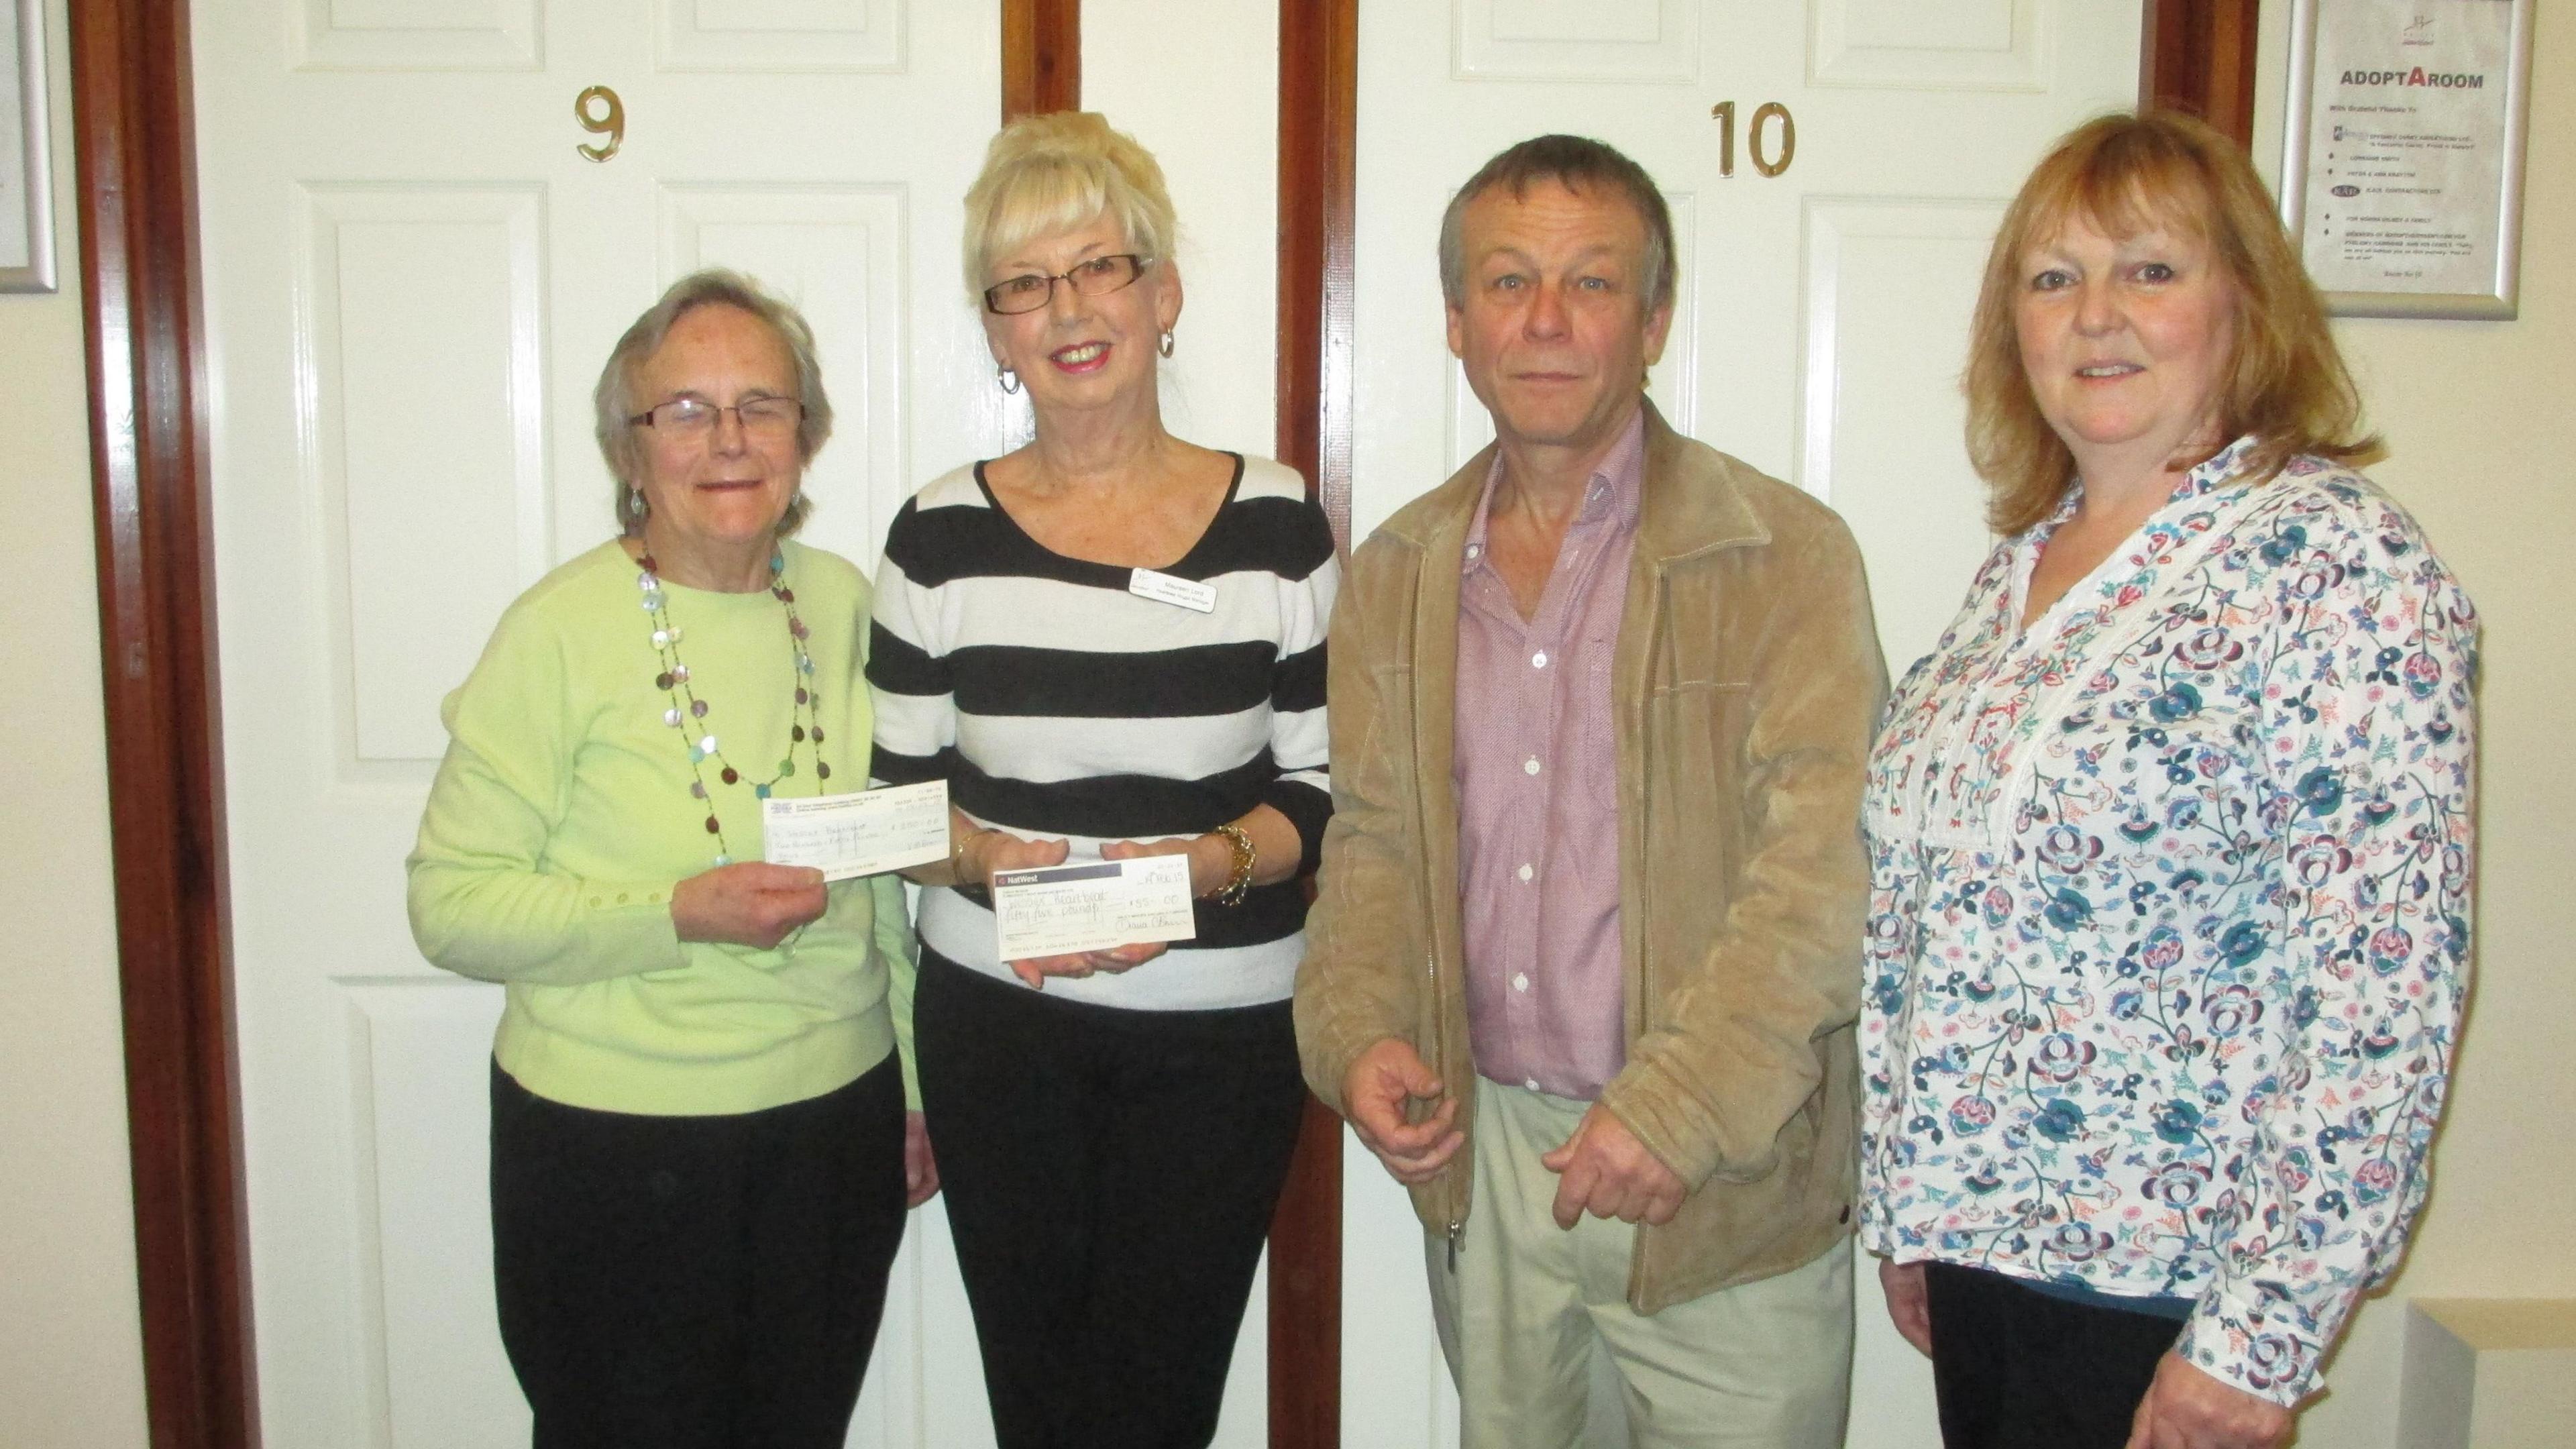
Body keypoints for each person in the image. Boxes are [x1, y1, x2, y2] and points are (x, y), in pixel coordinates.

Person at [1860, 111, 2479, 1449]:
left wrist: (2262, 1344)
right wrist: (1912, 1202)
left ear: (2245, 303)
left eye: (2149, 269)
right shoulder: (2020, 570)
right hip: (1984, 1260)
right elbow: (1929, 919)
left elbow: (2383, 993)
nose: (2095, 316)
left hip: (2175, 1296)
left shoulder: (2335, 569)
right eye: (2051, 277)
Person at [1295, 134, 1888, 1448]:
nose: (1547, 320)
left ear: (1655, 317)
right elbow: (1376, 850)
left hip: (1722, 1180)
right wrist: (1360, 1038)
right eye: (1507, 283)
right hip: (1489, 1164)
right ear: (1456, 323)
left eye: (1592, 282)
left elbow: (1827, 883)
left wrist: (1675, 1111)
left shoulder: (1783, 557)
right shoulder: (1397, 571)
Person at [865, 111, 1336, 1448]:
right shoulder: (938, 532)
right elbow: (896, 802)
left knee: (1161, 1398)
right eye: (1025, 283)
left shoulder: (1278, 520)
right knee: (1039, 1397)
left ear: (1163, 294)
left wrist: (1193, 874)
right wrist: (984, 859)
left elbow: (1321, 789)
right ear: (998, 327)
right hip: (1002, 1025)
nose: (1066, 308)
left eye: (1100, 267)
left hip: (1222, 1036)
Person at [406, 269, 934, 1449]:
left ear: (807, 433)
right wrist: (676, 914)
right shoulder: (555, 631)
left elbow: (885, 870)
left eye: (763, 405)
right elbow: (450, 906)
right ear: (627, 449)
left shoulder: (848, 606)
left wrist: (908, 1086)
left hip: (829, 1133)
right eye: (685, 411)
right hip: (609, 1144)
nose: (730, 440)